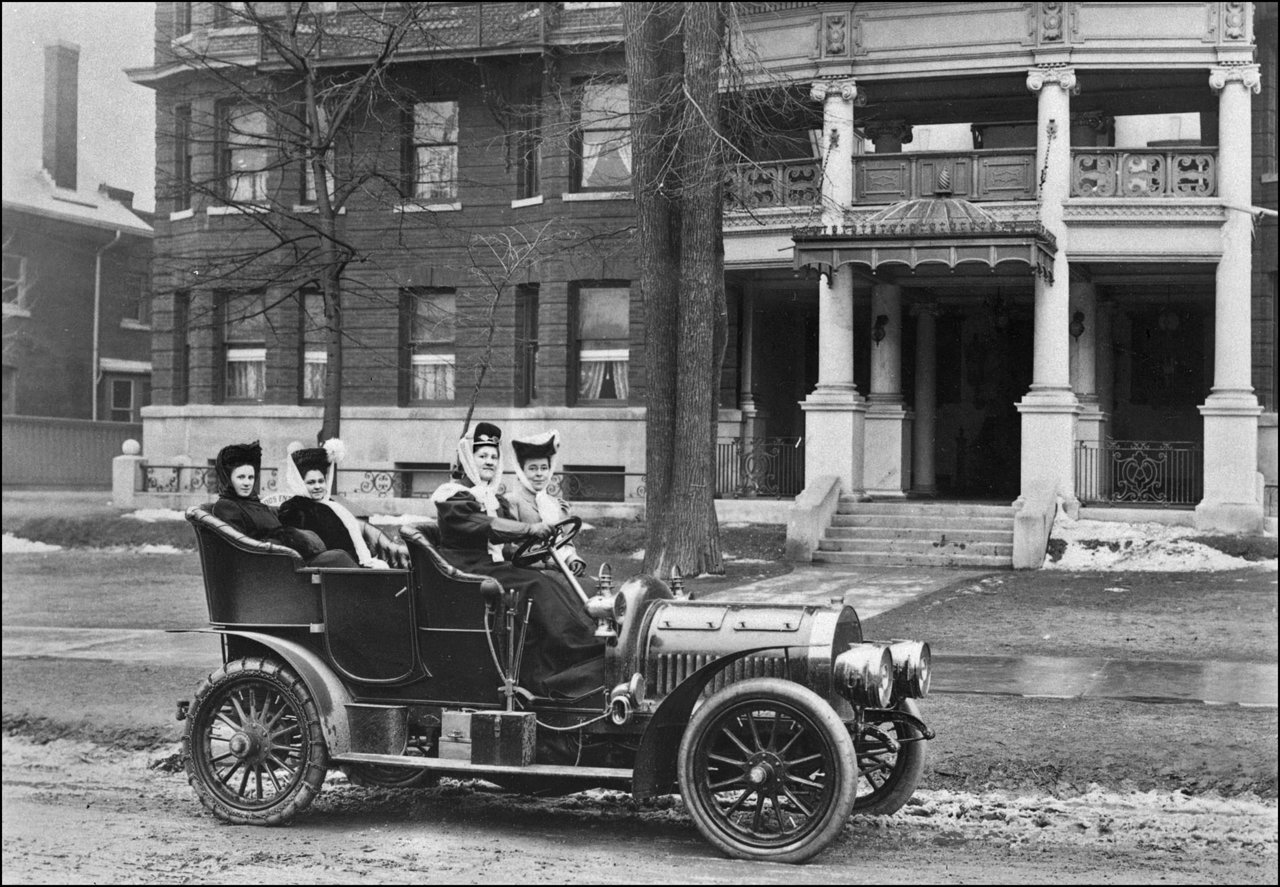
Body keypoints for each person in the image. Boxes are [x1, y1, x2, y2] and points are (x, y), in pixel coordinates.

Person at [431, 422, 605, 700]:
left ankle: (570, 660)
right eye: (482, 455)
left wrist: (545, 560)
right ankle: (583, 648)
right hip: (466, 570)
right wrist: (530, 529)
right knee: (535, 586)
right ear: (467, 459)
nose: (489, 461)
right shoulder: (452, 497)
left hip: (490, 566)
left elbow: (504, 546)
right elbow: (487, 526)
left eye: (493, 456)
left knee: (548, 580)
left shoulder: (489, 495)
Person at [211, 441, 358, 568]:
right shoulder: (226, 506)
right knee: (337, 558)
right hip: (271, 565)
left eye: (250, 477)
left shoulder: (254, 503)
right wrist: (291, 539)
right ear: (228, 479)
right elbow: (240, 546)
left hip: (286, 558)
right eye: (241, 477)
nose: (247, 483)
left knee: (338, 556)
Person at [278, 438, 391, 569]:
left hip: (346, 562)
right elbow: (297, 549)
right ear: (300, 483)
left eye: (321, 481)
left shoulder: (331, 505)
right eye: (311, 482)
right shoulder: (292, 508)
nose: (317, 486)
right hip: (324, 568)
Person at [507, 429, 587, 577]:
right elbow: (508, 548)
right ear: (522, 472)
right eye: (532, 468)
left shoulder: (556, 504)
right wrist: (545, 563)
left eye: (544, 468)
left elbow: (565, 541)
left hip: (559, 568)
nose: (539, 474)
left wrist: (572, 560)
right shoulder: (512, 501)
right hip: (527, 571)